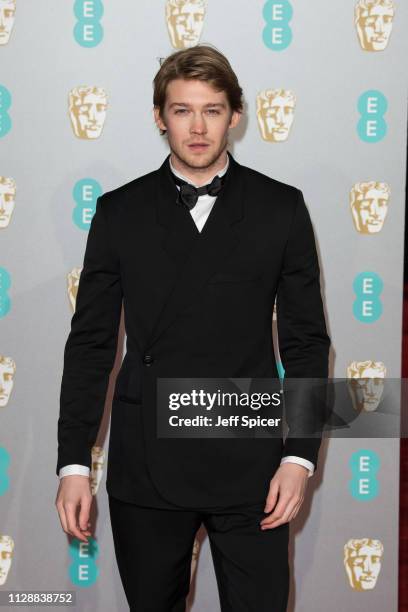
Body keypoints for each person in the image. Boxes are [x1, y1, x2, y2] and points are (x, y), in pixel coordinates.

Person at [55, 44, 330, 611]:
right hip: (148, 464)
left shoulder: (281, 209)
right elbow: (91, 346)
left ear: (235, 115)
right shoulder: (119, 213)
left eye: (212, 109)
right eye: (182, 110)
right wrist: (74, 461)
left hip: (249, 459)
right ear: (160, 117)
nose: (198, 127)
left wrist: (299, 457)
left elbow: (306, 344)